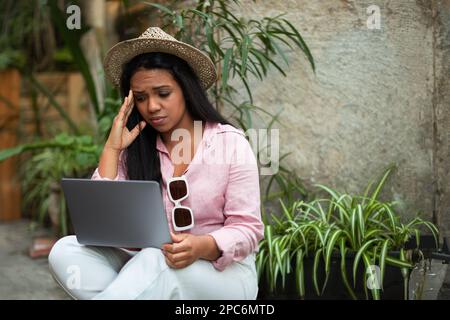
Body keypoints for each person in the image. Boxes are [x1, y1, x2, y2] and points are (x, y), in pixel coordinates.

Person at [48, 27, 264, 300]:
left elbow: (248, 229)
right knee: (66, 251)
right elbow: (103, 223)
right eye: (140, 97)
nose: (151, 107)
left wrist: (201, 246)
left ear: (186, 90)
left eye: (163, 93)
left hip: (223, 277)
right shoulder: (136, 149)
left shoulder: (230, 144)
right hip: (146, 266)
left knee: (155, 261)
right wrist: (112, 148)